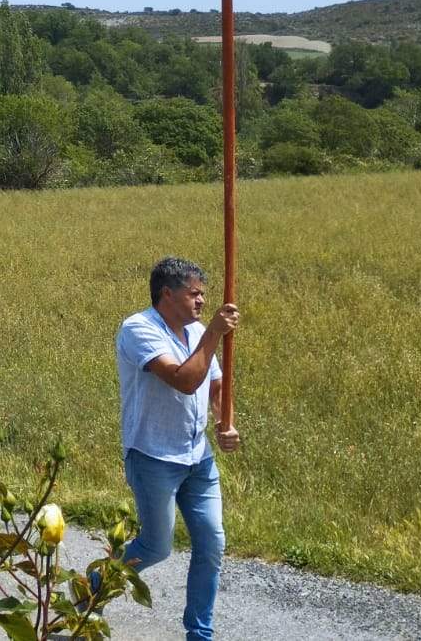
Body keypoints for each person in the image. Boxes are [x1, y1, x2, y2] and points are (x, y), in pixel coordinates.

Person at [116, 256, 240, 641]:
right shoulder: (138, 329)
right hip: (153, 456)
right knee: (155, 547)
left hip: (197, 457)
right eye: (194, 293)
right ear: (166, 294)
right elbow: (185, 380)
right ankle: (97, 582)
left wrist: (224, 423)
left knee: (212, 543)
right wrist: (215, 334)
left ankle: (199, 633)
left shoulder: (198, 331)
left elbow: (215, 386)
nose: (202, 301)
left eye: (203, 294)